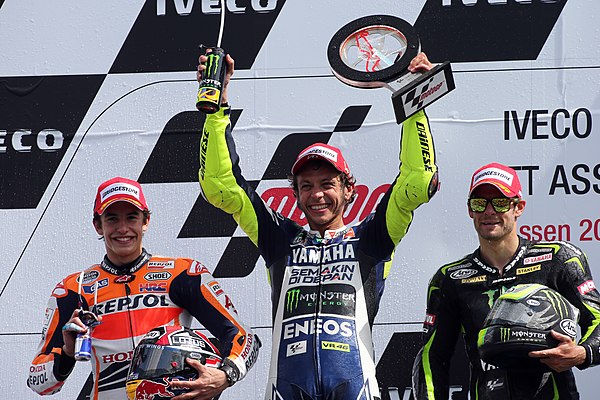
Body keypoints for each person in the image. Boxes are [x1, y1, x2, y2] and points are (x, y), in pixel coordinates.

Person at [197, 52, 439, 399]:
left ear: (348, 188)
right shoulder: (279, 239)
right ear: (295, 194)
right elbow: (221, 186)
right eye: (306, 186)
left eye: (327, 183)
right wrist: (216, 105)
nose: (317, 195)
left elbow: (418, 181)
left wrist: (413, 96)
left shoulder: (371, 239)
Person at [28, 177, 260, 400]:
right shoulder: (74, 289)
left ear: (145, 221)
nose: (123, 228)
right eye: (111, 219)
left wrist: (225, 375)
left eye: (131, 217)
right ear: (98, 225)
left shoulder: (182, 273)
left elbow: (244, 337)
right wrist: (68, 353)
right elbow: (38, 382)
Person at [412, 162, 600, 399]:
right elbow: (433, 358)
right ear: (470, 210)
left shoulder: (558, 259)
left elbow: (598, 319)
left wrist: (582, 353)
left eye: (500, 202)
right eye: (480, 203)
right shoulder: (450, 279)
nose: (489, 211)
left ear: (518, 207)